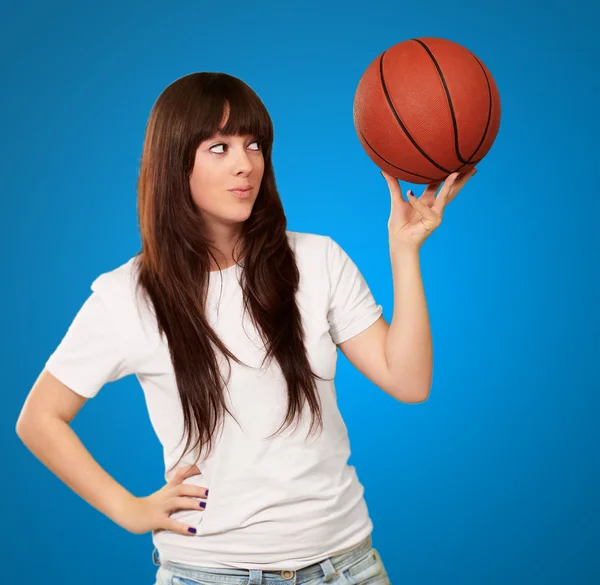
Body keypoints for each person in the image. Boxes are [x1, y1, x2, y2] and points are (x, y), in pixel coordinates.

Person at [16, 72, 475, 585]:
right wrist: (128, 509)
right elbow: (39, 419)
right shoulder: (129, 295)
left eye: (254, 145)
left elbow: (408, 382)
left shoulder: (317, 259)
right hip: (208, 573)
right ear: (174, 162)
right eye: (219, 147)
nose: (244, 164)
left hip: (346, 567)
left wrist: (404, 250)